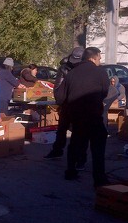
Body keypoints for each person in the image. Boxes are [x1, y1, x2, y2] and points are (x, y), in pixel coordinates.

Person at [63, 47, 110, 187]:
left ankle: (70, 171)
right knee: (98, 148)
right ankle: (99, 178)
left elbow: (64, 95)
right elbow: (104, 92)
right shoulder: (100, 73)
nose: (100, 61)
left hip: (77, 117)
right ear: (92, 58)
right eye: (99, 58)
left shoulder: (71, 74)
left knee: (75, 143)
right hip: (93, 115)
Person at [44, 46, 84, 160]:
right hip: (67, 103)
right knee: (62, 129)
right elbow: (58, 87)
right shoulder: (64, 68)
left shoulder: (85, 68)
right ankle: (58, 150)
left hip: (79, 103)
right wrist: (61, 102)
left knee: (77, 131)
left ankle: (77, 155)